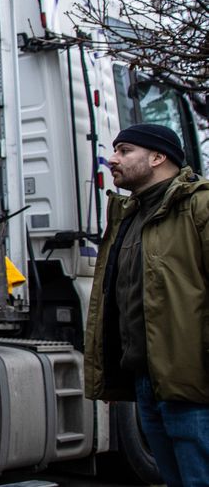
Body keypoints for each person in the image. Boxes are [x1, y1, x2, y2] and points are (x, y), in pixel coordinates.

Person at [84, 123, 209, 487]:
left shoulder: (199, 205)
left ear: (157, 157)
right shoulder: (129, 216)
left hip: (193, 381)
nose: (112, 159)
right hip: (148, 382)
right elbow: (118, 300)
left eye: (124, 150)